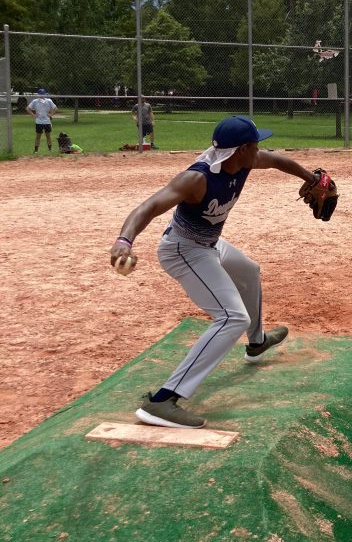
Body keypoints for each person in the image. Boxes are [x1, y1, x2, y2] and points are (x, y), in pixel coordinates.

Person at [109, 115, 326, 429]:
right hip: (183, 251)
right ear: (240, 149)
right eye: (255, 144)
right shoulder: (196, 179)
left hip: (210, 244)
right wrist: (124, 240)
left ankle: (257, 342)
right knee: (231, 316)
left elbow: (279, 161)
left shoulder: (243, 160)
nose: (260, 149)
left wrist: (310, 179)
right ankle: (163, 401)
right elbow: (149, 206)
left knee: (248, 271)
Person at [26, 87, 58, 153]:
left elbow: (55, 108)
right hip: (39, 122)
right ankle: (36, 150)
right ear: (38, 94)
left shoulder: (49, 101)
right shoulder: (35, 101)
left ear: (45, 94)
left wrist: (51, 114)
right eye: (40, 94)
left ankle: (50, 150)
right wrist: (33, 115)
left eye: (43, 94)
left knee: (48, 136)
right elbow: (28, 108)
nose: (42, 95)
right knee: (38, 137)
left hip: (47, 122)